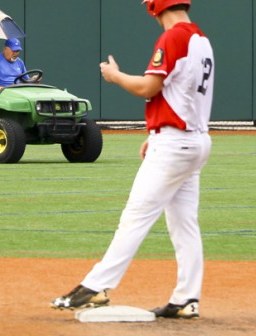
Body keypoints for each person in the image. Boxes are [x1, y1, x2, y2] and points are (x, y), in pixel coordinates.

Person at [50, 0, 214, 319]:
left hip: (175, 144)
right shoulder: (201, 39)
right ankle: (187, 298)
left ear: (155, 7)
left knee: (136, 215)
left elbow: (148, 86)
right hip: (194, 140)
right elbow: (183, 94)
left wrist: (115, 75)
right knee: (184, 224)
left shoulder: (173, 37)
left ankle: (96, 286)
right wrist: (155, 133)